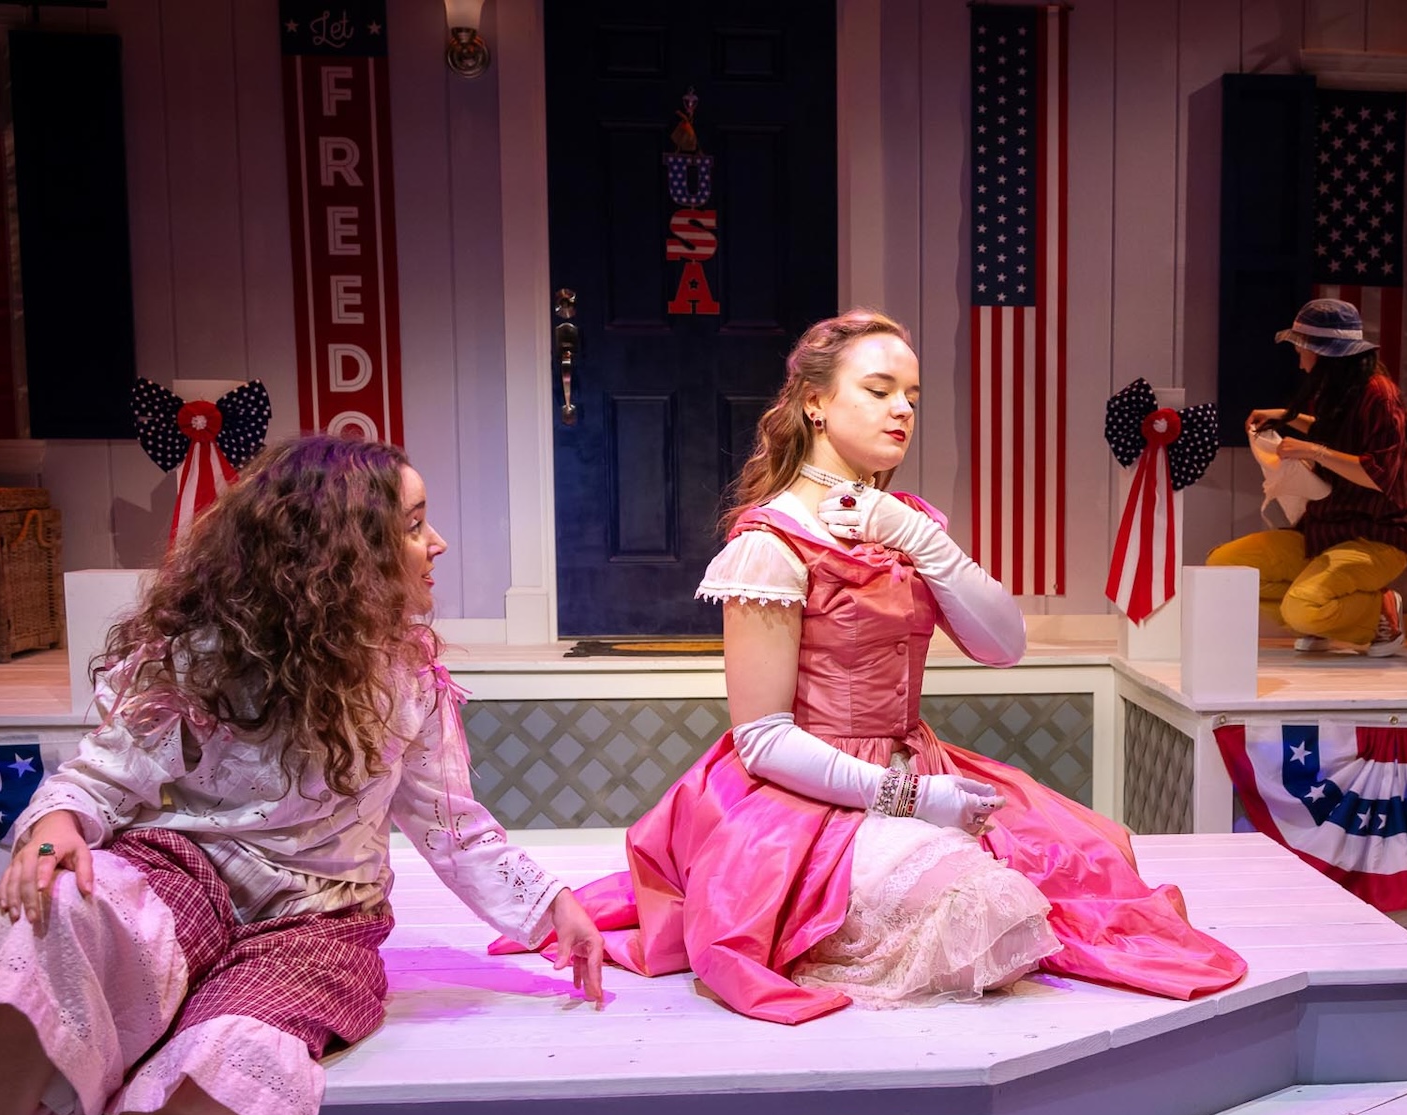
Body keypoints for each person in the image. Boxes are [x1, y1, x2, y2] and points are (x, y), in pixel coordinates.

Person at [0, 437, 605, 1115]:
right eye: (413, 526)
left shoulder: (407, 674)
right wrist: (56, 824)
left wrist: (551, 907)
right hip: (191, 869)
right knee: (53, 912)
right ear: (342, 551)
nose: (435, 545)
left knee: (245, 1067)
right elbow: (104, 775)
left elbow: (451, 823)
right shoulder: (211, 656)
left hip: (319, 919)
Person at [495, 310, 1246, 1023]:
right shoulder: (772, 542)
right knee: (984, 911)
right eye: (879, 390)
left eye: (913, 397)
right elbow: (761, 738)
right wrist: (912, 798)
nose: (903, 411)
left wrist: (918, 534)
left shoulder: (906, 525)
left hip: (913, 757)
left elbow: (1002, 644)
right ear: (816, 404)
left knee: (1087, 860)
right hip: (798, 796)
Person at [1207, 299, 1407, 655]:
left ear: (1323, 352)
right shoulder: (1339, 390)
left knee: (1300, 609)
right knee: (1223, 569)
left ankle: (1376, 612)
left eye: (1301, 345)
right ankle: (1322, 607)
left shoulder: (1379, 395)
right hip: (1324, 530)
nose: (1298, 354)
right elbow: (1336, 431)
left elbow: (1378, 473)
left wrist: (1312, 451)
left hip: (1375, 536)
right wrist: (1287, 417)